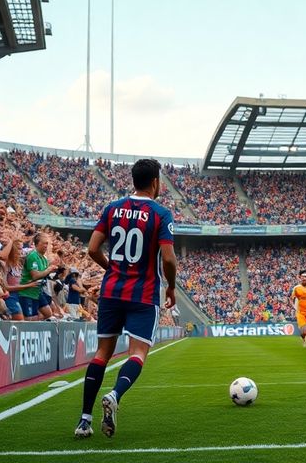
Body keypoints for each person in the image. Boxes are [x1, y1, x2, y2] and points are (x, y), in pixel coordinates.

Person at [75, 158, 177, 439]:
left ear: (133, 180)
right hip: (143, 294)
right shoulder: (161, 214)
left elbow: (93, 249)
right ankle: (115, 394)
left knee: (102, 354)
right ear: (155, 182)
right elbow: (168, 258)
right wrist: (171, 287)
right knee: (138, 353)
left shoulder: (111, 208)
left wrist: (112, 268)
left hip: (111, 292)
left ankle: (84, 420)